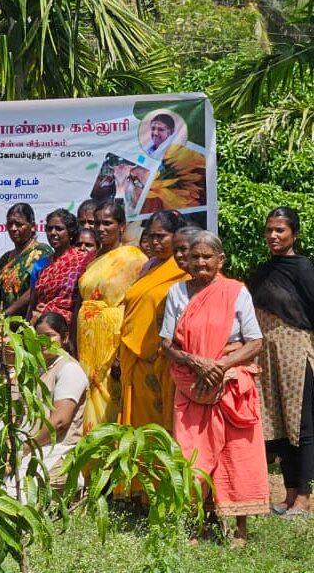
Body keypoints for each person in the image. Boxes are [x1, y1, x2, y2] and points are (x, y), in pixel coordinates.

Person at [160, 231, 268, 545]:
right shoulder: (177, 292)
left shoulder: (236, 291)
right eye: (195, 257)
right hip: (192, 382)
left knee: (236, 454)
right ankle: (200, 525)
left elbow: (256, 341)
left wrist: (219, 366)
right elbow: (167, 343)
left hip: (231, 384)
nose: (201, 262)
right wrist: (195, 362)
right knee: (194, 456)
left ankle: (240, 530)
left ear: (221, 260)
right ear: (186, 261)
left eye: (208, 256)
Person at [248, 207, 314, 517]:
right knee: (278, 424)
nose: (273, 236)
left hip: (296, 352)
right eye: (269, 230)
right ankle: (288, 495)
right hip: (267, 353)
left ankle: (304, 496)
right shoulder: (263, 271)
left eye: (280, 230)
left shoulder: (303, 269)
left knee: (302, 425)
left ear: (294, 234)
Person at [75, 199, 147, 433]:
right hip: (87, 342)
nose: (101, 228)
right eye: (97, 223)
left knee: (111, 396)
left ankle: (111, 454)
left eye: (108, 223)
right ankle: (91, 461)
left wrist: (119, 355)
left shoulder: (133, 258)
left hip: (113, 341)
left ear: (122, 226)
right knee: (89, 392)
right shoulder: (92, 260)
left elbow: (135, 307)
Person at [119, 210, 189, 431]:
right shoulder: (149, 267)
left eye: (161, 236)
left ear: (177, 236)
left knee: (159, 421)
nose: (155, 242)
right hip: (134, 355)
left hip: (160, 356)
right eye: (150, 236)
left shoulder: (184, 270)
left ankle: (160, 465)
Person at [27, 313, 88, 489]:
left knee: (26, 489)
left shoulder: (69, 369)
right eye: (38, 337)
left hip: (58, 449)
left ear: (65, 337)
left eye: (50, 336)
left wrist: (26, 447)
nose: (43, 342)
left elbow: (59, 421)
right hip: (35, 446)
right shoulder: (38, 368)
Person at [30, 209, 93, 324]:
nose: (53, 233)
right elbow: (33, 302)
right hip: (40, 325)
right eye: (49, 229)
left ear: (70, 232)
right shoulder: (44, 264)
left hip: (68, 326)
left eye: (59, 229)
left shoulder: (82, 260)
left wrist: (48, 310)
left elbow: (81, 300)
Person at [0, 204, 53, 317]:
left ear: (33, 226)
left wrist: (8, 312)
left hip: (27, 321)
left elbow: (35, 289)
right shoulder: (5, 258)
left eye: (19, 224)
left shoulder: (43, 253)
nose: (13, 228)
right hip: (0, 324)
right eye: (10, 224)